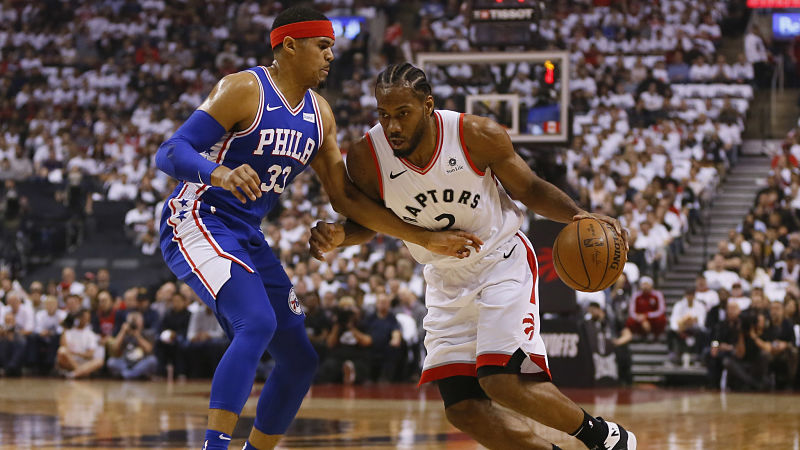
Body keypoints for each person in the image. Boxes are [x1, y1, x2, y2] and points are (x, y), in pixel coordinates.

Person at [153, 8, 480, 450]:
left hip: (247, 233)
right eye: (322, 46)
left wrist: (348, 232)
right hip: (198, 217)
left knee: (300, 361)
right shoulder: (244, 89)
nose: (331, 55)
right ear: (290, 46)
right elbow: (170, 150)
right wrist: (219, 174)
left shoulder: (320, 114)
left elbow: (343, 198)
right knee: (255, 324)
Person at [309, 63, 636, 450]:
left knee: (501, 381)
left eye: (402, 114)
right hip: (444, 279)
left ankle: (605, 438)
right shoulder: (367, 157)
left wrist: (579, 214)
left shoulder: (476, 135)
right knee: (463, 409)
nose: (392, 126)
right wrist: (340, 235)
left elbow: (528, 188)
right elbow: (370, 219)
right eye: (383, 115)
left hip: (500, 261)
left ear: (428, 106)